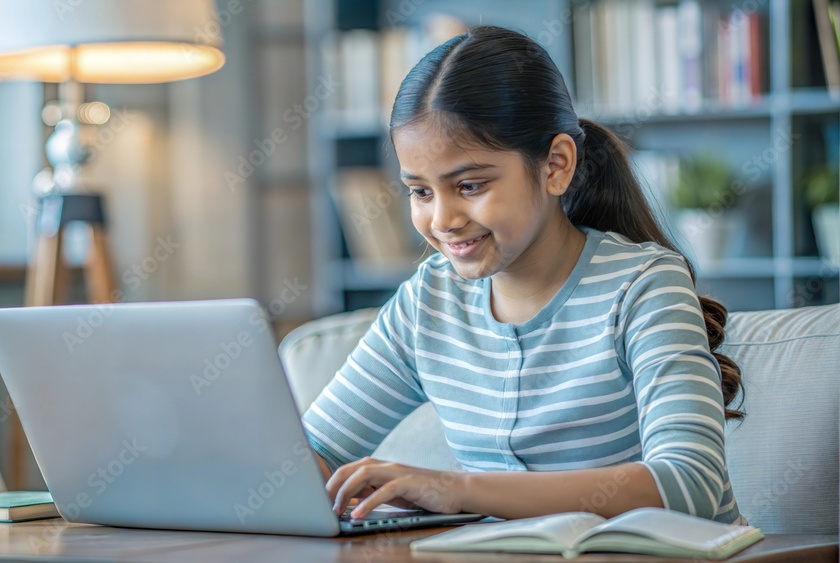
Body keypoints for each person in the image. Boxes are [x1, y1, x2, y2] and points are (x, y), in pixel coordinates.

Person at [301, 25, 746, 525]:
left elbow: (692, 483)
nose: (442, 220)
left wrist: (459, 489)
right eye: (420, 192)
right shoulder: (427, 302)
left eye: (469, 185)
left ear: (555, 165)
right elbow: (310, 456)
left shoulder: (642, 286)